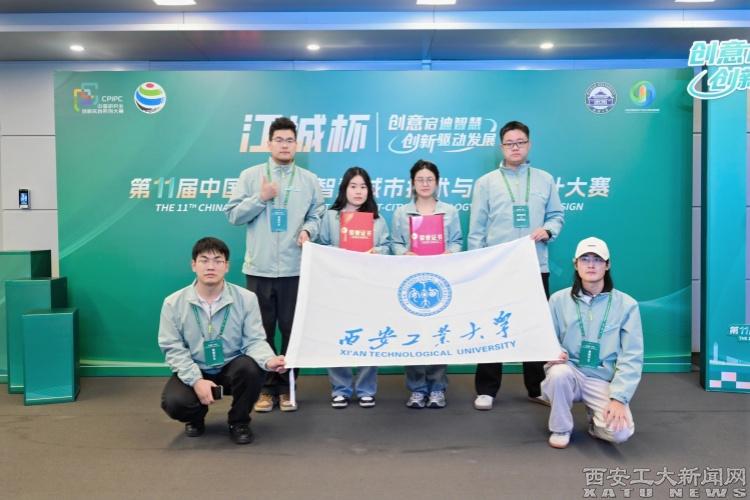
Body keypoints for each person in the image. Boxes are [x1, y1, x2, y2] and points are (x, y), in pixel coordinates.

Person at [225, 116, 325, 413]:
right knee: (261, 332)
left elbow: (317, 214)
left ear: (296, 145)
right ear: (269, 144)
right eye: (279, 140)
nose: (284, 145)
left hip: (296, 269)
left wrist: (308, 231)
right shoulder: (250, 176)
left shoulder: (308, 180)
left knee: (293, 332)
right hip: (259, 269)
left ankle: (288, 388)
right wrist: (261, 198)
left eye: (289, 140)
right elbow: (233, 215)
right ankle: (266, 390)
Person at [468, 120, 564, 410]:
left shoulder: (545, 180)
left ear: (529, 144)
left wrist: (548, 230)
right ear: (502, 147)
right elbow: (477, 230)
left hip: (535, 265)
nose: (515, 147)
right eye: (510, 143)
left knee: (534, 326)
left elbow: (556, 215)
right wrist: (478, 269)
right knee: (491, 327)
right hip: (497, 269)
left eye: (520, 142)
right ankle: (486, 389)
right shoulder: (486, 183)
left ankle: (536, 388)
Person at [159, 237, 287, 445]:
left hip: (231, 367)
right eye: (204, 260)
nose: (211, 266)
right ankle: (196, 417)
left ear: (226, 266)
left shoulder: (246, 298)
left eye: (218, 261)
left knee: (251, 369)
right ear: (193, 265)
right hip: (196, 367)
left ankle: (239, 421)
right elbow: (173, 348)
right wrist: (196, 380)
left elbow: (254, 340)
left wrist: (269, 360)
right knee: (175, 403)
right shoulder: (173, 303)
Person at [543, 237, 643, 449]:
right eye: (585, 259)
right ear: (575, 264)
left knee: (620, 433)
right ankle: (561, 428)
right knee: (558, 374)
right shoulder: (558, 300)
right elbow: (547, 338)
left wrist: (619, 398)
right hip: (569, 371)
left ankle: (595, 423)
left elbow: (632, 356)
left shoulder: (627, 305)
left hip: (602, 379)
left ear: (607, 265)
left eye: (597, 259)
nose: (591, 265)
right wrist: (555, 351)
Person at [391, 159, 463, 409]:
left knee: (438, 333)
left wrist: (449, 253)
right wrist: (404, 254)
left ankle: (437, 388)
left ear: (437, 182)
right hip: (411, 281)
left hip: (440, 280)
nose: (424, 184)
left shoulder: (449, 211)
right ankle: (417, 389)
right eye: (420, 179)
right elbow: (395, 243)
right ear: (412, 183)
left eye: (429, 179)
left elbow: (457, 241)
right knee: (413, 334)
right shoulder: (401, 212)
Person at [317, 166, 391, 409]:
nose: (358, 191)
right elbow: (321, 246)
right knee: (337, 335)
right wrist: (340, 252)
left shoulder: (377, 219)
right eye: (353, 186)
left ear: (369, 190)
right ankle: (341, 388)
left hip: (368, 285)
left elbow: (387, 247)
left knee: (369, 335)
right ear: (344, 189)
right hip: (337, 285)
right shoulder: (330, 217)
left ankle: (366, 388)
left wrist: (376, 251)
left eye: (363, 186)